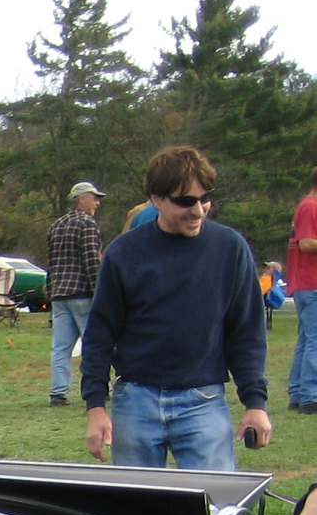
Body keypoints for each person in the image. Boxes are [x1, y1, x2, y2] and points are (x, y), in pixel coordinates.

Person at [80, 145, 268, 471]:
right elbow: (100, 333)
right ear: (156, 199)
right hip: (135, 401)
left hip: (204, 402)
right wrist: (95, 407)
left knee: (216, 509)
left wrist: (255, 403)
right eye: (185, 201)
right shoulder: (124, 253)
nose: (198, 209)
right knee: (137, 512)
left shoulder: (230, 249)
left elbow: (247, 331)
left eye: (205, 198)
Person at [45, 181, 104, 406]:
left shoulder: (56, 225)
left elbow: (51, 262)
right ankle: (94, 390)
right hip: (82, 294)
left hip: (59, 295)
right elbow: (91, 260)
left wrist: (49, 290)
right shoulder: (87, 224)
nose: (97, 202)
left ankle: (57, 393)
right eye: (94, 197)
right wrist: (100, 291)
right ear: (82, 199)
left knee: (60, 347)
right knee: (92, 345)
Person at [287, 168, 317, 414]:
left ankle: (298, 393)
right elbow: (307, 243)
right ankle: (310, 396)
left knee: (307, 339)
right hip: (311, 283)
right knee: (315, 341)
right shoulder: (310, 207)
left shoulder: (307, 206)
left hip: (307, 284)